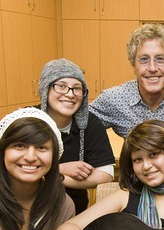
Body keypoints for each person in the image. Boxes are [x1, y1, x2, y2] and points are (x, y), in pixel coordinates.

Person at [39, 58, 115, 213]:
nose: (70, 94)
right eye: (61, 86)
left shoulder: (91, 123)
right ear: (45, 89)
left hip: (74, 211)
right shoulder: (29, 119)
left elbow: (105, 175)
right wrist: (61, 168)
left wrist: (54, 176)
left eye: (77, 88)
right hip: (31, 210)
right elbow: (13, 170)